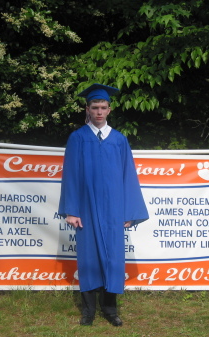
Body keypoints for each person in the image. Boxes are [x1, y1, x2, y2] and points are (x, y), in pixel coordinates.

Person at [58, 83, 149, 327]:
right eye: (95, 107)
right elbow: (71, 176)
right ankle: (88, 311)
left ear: (109, 110)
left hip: (113, 209)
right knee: (88, 258)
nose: (99, 112)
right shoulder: (77, 138)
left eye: (103, 107)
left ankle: (110, 309)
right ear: (87, 109)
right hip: (85, 209)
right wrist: (71, 210)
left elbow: (128, 175)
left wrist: (129, 212)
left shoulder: (119, 140)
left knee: (113, 258)